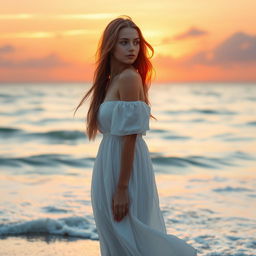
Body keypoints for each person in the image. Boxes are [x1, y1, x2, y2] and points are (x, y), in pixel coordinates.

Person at [74, 15, 197, 256]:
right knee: (114, 233)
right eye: (124, 42)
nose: (132, 48)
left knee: (131, 234)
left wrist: (122, 187)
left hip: (125, 168)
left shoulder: (130, 78)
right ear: (110, 45)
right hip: (109, 162)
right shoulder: (111, 82)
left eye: (136, 42)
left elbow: (130, 136)